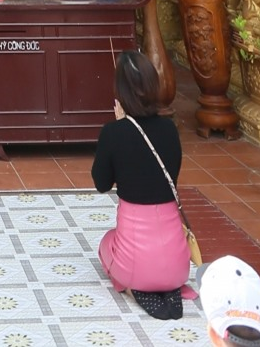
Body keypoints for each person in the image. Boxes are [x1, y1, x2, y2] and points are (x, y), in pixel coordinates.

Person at [91, 49, 191, 321]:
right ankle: (167, 286)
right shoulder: (170, 129)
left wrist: (120, 128)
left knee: (106, 244)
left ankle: (139, 289)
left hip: (135, 265)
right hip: (179, 266)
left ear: (120, 92)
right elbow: (170, 175)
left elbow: (101, 183)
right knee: (152, 251)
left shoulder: (113, 133)